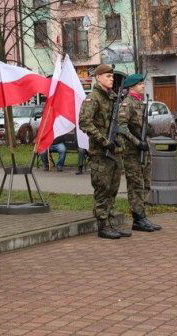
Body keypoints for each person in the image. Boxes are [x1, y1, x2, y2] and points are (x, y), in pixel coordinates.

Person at [78, 64, 131, 240]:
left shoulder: (112, 98)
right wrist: (103, 141)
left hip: (114, 150)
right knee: (103, 189)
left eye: (112, 76)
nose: (111, 79)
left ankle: (110, 221)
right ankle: (103, 225)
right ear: (98, 78)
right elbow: (85, 122)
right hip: (101, 152)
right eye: (108, 76)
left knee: (113, 189)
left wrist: (116, 142)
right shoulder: (93, 98)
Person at [117, 74, 162, 232]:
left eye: (143, 83)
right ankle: (138, 218)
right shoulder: (127, 104)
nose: (143, 86)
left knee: (146, 183)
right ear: (131, 87)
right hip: (132, 152)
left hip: (144, 149)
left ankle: (142, 216)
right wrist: (137, 142)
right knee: (136, 184)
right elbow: (121, 127)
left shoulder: (140, 103)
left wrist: (148, 132)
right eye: (140, 83)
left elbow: (141, 126)